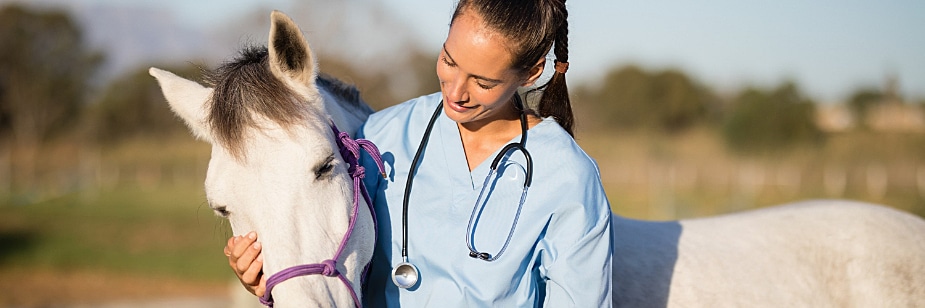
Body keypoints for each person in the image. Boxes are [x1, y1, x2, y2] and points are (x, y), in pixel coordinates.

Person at [225, 0, 613, 306]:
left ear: (531, 73)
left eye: (482, 82)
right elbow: (323, 251)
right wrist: (267, 277)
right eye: (449, 61)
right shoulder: (377, 138)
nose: (456, 91)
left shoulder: (568, 175)